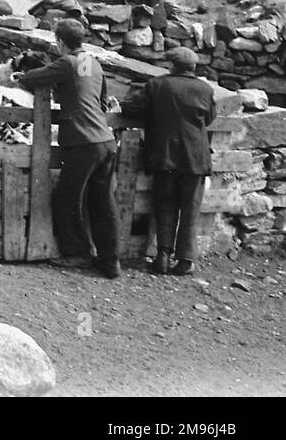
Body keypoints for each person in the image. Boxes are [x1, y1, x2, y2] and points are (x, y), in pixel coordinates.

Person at [16, 18, 121, 278]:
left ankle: (78, 254)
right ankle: (110, 261)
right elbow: (102, 99)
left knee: (67, 197)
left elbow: (34, 78)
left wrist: (22, 76)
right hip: (105, 141)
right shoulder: (93, 63)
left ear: (59, 42)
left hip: (83, 141)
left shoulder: (67, 62)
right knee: (103, 201)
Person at [121, 47, 215, 276]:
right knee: (190, 208)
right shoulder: (205, 88)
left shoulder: (157, 85)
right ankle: (185, 260)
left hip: (165, 157)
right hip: (195, 158)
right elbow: (210, 118)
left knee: (164, 205)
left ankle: (162, 255)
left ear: (171, 65)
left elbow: (130, 106)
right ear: (193, 67)